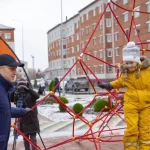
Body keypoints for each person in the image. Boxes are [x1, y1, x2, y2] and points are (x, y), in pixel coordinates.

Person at [97, 41, 150, 150]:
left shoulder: (147, 70)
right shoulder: (125, 73)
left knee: (145, 129)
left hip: (146, 105)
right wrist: (109, 85)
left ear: (137, 60)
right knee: (132, 129)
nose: (129, 65)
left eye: (131, 62)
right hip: (131, 105)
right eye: (127, 63)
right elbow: (120, 82)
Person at [0, 54, 31, 150]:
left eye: (15, 69)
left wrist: (23, 111)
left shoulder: (4, 89)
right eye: (11, 69)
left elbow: (4, 110)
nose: (15, 72)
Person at [14, 78, 40, 150]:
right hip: (23, 120)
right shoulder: (19, 95)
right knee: (25, 139)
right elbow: (14, 100)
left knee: (33, 139)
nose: (22, 88)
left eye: (23, 86)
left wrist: (28, 89)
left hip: (32, 120)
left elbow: (37, 96)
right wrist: (16, 91)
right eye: (20, 86)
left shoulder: (30, 94)